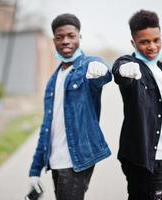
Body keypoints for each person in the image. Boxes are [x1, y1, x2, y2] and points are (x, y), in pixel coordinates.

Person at [112, 10, 162, 200]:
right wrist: (123, 69)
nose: (152, 46)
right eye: (144, 42)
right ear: (133, 43)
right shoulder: (132, 66)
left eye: (156, 40)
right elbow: (118, 70)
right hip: (145, 164)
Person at [28, 13, 112, 200]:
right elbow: (46, 128)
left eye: (71, 36)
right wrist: (35, 169)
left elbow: (102, 72)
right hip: (55, 162)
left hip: (75, 161)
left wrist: (100, 69)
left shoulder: (87, 67)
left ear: (79, 37)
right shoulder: (53, 79)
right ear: (54, 40)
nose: (65, 41)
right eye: (60, 37)